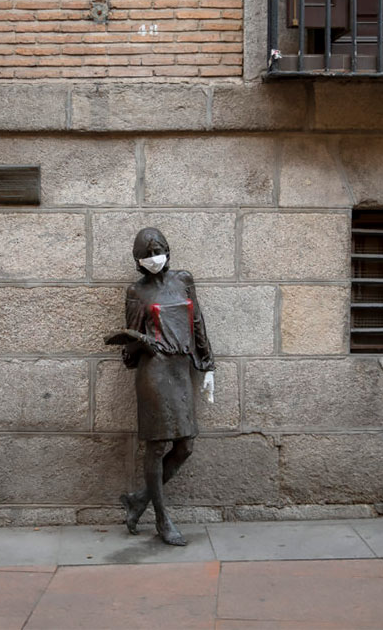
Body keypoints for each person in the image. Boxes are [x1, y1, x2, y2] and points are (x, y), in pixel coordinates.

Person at [109, 227, 215, 546]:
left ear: (168, 251)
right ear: (138, 260)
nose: (153, 258)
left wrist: (208, 364)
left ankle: (139, 500)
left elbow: (197, 321)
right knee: (156, 446)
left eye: (158, 251)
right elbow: (130, 340)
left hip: (181, 369)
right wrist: (140, 342)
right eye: (146, 255)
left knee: (185, 445)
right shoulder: (136, 291)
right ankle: (161, 518)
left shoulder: (183, 280)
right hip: (153, 370)